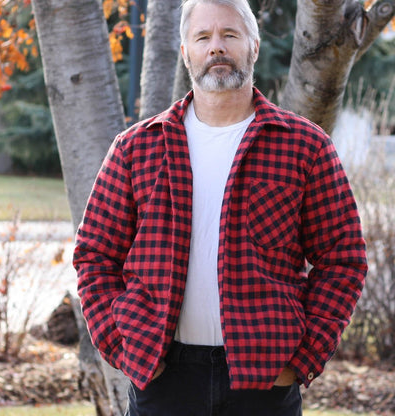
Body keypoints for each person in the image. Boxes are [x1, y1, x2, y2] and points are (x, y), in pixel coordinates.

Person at [73, 0, 368, 414]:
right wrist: (123, 347)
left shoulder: (305, 146)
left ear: (254, 47)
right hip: (163, 379)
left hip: (265, 382)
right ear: (185, 53)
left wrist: (303, 359)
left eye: (230, 34)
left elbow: (343, 259)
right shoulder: (136, 148)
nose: (216, 47)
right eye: (202, 37)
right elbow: (94, 255)